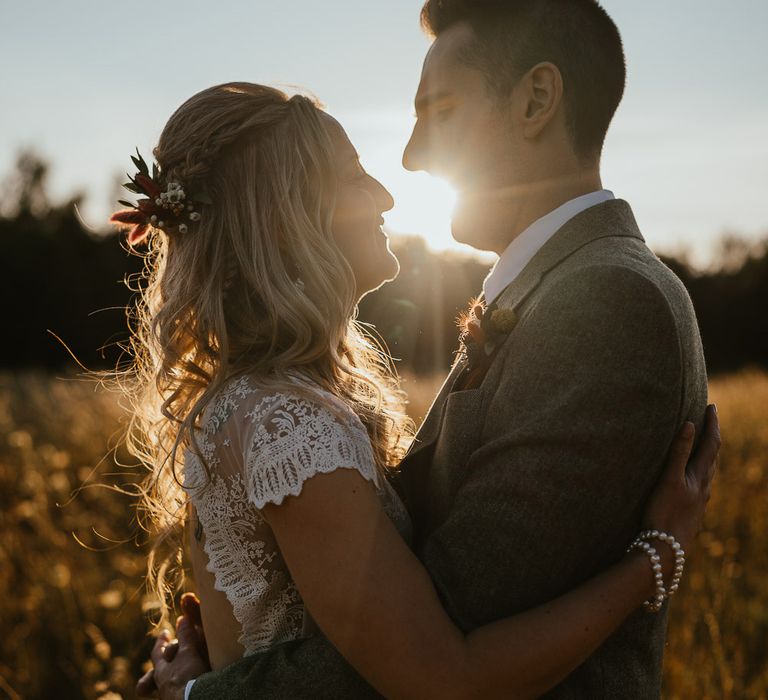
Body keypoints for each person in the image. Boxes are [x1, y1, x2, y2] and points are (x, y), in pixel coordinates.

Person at [130, 2, 718, 697]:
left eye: (438, 109)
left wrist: (205, 694)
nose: (405, 162)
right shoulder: (280, 407)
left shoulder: (606, 303)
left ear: (535, 100)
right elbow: (429, 658)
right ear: (287, 219)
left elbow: (444, 635)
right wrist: (657, 560)